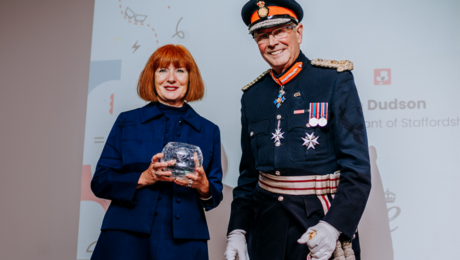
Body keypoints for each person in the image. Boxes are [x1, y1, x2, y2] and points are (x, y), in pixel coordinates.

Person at [225, 1, 371, 260]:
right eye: (262, 36)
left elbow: (357, 171)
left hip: (320, 225)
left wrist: (333, 226)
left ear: (298, 32)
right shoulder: (252, 96)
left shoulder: (333, 80)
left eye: (279, 31)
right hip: (266, 230)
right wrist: (237, 229)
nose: (272, 43)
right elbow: (248, 175)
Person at [91, 44, 223, 260]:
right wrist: (144, 177)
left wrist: (203, 186)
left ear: (191, 78)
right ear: (151, 77)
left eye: (180, 70)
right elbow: (100, 181)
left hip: (185, 242)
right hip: (125, 237)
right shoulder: (127, 122)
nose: (171, 78)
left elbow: (214, 195)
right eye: (162, 70)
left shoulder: (209, 131)